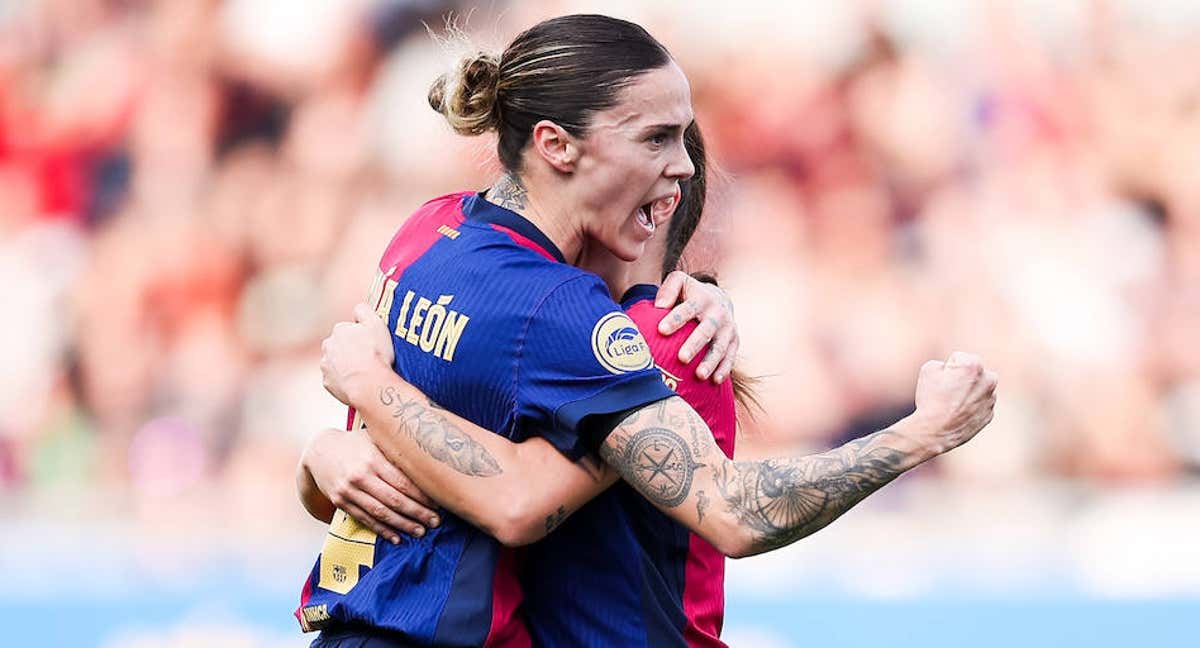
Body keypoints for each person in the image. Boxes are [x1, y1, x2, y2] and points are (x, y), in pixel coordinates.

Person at [304, 13, 998, 648]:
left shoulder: (427, 231)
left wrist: (339, 432)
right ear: (556, 145)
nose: (685, 165)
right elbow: (725, 510)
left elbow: (391, 461)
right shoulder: (568, 313)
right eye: (657, 139)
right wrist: (922, 433)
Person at [302, 121, 750, 647]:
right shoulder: (547, 343)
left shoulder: (657, 337)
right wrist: (322, 456)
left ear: (656, 206)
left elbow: (513, 501)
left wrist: (367, 381)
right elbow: (418, 486)